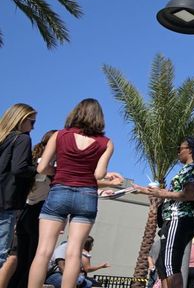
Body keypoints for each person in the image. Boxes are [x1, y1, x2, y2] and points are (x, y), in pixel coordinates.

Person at [28, 99, 115, 288]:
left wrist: (58, 172)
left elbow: (42, 167)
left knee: (43, 251)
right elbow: (99, 174)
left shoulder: (60, 135)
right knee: (74, 252)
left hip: (59, 191)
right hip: (87, 196)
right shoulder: (106, 143)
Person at [135, 137, 194, 288]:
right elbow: (175, 192)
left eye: (180, 149)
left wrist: (162, 194)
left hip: (178, 219)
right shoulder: (187, 169)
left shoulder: (191, 169)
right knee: (162, 265)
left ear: (190, 150)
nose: (178, 152)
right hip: (173, 220)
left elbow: (189, 194)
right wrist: (144, 190)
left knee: (170, 265)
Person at [10, 130, 55, 288]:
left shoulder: (33, 160)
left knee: (22, 260)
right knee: (34, 259)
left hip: (24, 210)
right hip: (38, 210)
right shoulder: (48, 165)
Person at [0, 103, 38, 269]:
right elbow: (19, 168)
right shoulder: (22, 139)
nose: (33, 127)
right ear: (22, 120)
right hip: (6, 202)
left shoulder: (3, 138)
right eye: (32, 122)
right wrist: (38, 169)